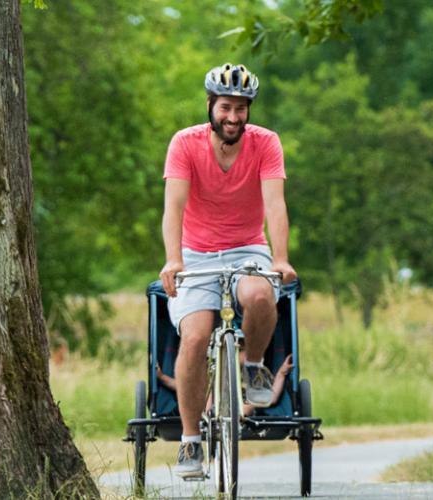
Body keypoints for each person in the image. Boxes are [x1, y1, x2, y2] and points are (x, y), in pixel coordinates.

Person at [159, 62, 298, 478]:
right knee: (197, 336)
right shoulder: (184, 144)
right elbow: (174, 208)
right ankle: (190, 441)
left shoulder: (266, 143)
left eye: (241, 109)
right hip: (196, 253)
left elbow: (275, 204)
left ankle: (253, 364)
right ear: (210, 105)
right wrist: (173, 258)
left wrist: (280, 256)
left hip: (248, 248)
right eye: (225, 108)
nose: (233, 117)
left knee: (259, 296)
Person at [157, 355, 293, 417]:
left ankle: (235, 413)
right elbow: (185, 387)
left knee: (249, 405)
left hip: (243, 404)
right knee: (200, 385)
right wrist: (162, 378)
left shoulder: (254, 375)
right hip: (213, 399)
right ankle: (211, 412)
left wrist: (281, 373)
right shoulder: (212, 369)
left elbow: (272, 397)